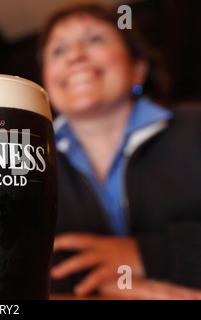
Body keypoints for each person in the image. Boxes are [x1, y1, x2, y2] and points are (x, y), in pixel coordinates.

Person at [38, 3, 201, 298]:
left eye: (95, 39)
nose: (75, 55)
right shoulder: (30, 159)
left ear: (137, 70)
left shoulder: (195, 127)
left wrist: (149, 256)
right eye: (58, 51)